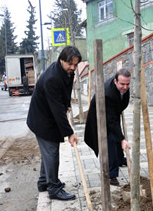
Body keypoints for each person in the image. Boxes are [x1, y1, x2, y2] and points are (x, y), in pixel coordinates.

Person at [26, 46, 81, 201]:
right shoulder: (52, 78)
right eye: (70, 64)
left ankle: (43, 182)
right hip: (42, 119)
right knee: (51, 152)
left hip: (47, 115)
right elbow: (57, 111)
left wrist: (67, 104)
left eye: (76, 65)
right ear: (61, 60)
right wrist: (69, 133)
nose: (73, 68)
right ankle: (53, 188)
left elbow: (66, 90)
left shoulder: (66, 72)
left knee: (47, 153)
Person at [84, 69, 131, 187]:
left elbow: (122, 104)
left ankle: (120, 159)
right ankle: (112, 175)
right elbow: (110, 121)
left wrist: (121, 137)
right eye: (122, 84)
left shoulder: (124, 87)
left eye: (127, 84)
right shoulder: (107, 94)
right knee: (111, 139)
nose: (125, 87)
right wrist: (122, 139)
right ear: (115, 81)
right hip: (99, 118)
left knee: (117, 136)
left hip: (112, 113)